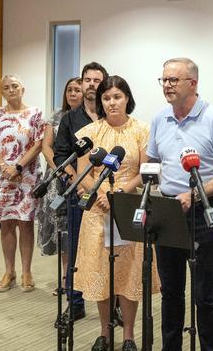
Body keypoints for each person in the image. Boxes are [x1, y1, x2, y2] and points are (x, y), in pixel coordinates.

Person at [147, 57, 213, 351]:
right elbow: (152, 162)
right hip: (168, 212)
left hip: (203, 212)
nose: (167, 86)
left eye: (174, 80)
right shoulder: (160, 118)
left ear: (193, 83)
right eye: (164, 80)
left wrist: (194, 194)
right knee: (171, 291)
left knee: (204, 293)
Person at [73, 75, 159, 351]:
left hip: (130, 207)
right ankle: (104, 333)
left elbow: (146, 171)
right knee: (103, 273)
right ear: (101, 101)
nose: (112, 102)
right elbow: (83, 173)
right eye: (106, 98)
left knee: (129, 273)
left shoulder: (142, 130)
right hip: (98, 209)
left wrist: (121, 193)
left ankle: (129, 336)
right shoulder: (89, 132)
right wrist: (101, 194)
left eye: (117, 97)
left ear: (127, 99)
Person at [0, 74, 44, 292]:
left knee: (25, 223)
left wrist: (18, 167)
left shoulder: (34, 113)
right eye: (6, 87)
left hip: (26, 177)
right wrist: (6, 168)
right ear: (2, 92)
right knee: (6, 224)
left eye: (15, 86)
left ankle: (26, 271)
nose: (11, 90)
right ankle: (9, 271)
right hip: (2, 178)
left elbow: (38, 144)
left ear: (22, 89)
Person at [54, 62, 108, 321]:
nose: (91, 84)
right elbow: (61, 156)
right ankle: (75, 303)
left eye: (97, 80)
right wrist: (75, 182)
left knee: (111, 249)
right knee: (75, 248)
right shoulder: (70, 119)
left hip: (110, 198)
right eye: (87, 79)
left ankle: (114, 304)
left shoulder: (114, 117)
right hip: (79, 195)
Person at [36, 77, 82, 296]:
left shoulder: (87, 118)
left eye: (77, 90)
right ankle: (66, 279)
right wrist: (59, 167)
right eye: (69, 90)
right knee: (62, 230)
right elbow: (46, 146)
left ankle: (80, 279)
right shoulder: (56, 115)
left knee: (79, 231)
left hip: (79, 179)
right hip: (56, 178)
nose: (72, 94)